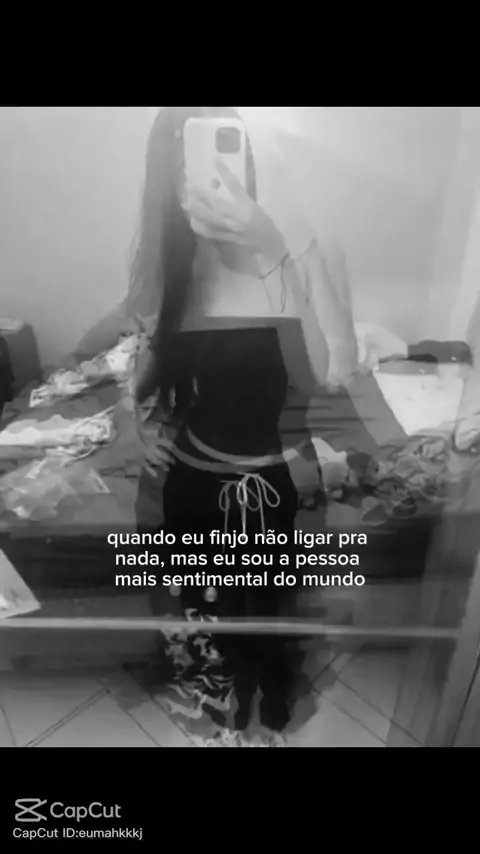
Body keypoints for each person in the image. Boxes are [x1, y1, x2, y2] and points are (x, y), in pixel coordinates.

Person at [127, 106, 359, 740]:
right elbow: (147, 356)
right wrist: (140, 417)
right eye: (182, 169)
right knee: (208, 605)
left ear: (245, 161)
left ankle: (273, 689)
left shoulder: (307, 250)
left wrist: (271, 253)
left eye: (218, 159)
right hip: (192, 476)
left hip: (270, 477)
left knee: (271, 605)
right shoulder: (172, 263)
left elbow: (330, 371)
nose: (203, 184)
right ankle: (223, 694)